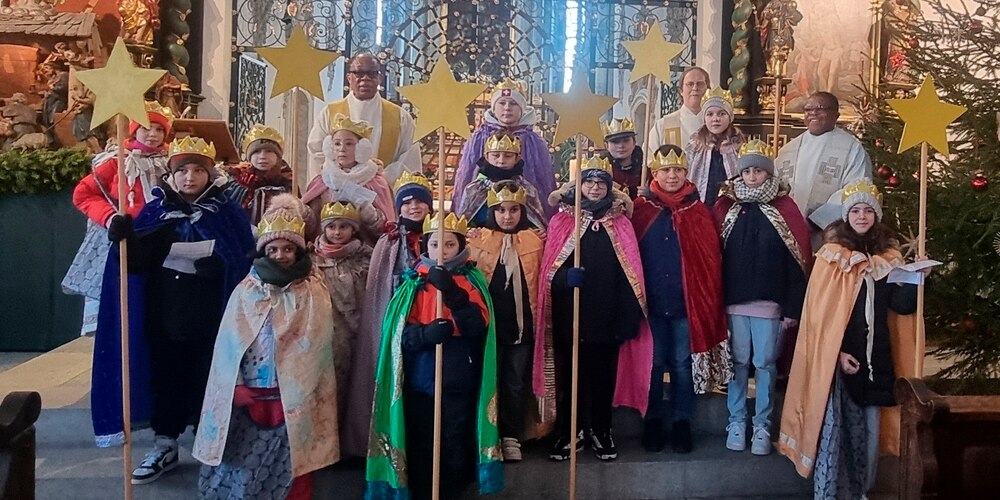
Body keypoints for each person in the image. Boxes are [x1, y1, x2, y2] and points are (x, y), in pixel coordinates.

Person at [96, 136, 255, 484]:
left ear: (210, 174)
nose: (190, 178)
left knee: (208, 379)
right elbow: (134, 266)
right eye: (183, 171)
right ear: (172, 174)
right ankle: (165, 443)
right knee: (167, 379)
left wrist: (220, 265)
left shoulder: (226, 212)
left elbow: (243, 260)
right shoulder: (156, 211)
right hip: (166, 315)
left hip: (212, 318)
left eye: (199, 170)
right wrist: (124, 238)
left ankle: (209, 443)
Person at [778, 181, 920, 498]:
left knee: (868, 438)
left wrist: (915, 279)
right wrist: (837, 352)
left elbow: (901, 308)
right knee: (833, 433)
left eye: (868, 210)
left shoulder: (890, 258)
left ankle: (861, 492)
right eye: (855, 210)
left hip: (876, 359)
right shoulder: (831, 258)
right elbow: (820, 317)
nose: (861, 215)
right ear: (846, 215)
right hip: (839, 362)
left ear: (876, 215)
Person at [194, 194, 339, 500]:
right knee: (246, 458)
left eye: (288, 248)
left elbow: (320, 341)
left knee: (294, 457)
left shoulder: (313, 288)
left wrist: (307, 384)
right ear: (263, 251)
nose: (281, 255)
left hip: (296, 394)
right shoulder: (248, 290)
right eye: (273, 249)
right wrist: (234, 384)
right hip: (254, 388)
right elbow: (229, 345)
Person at [366, 212, 502, 500]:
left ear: (460, 246)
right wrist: (425, 335)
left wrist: (452, 293)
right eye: (436, 244)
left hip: (457, 379)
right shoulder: (412, 283)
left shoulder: (471, 280)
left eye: (449, 245)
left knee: (453, 442)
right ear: (426, 246)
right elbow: (398, 334)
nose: (442, 251)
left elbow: (478, 327)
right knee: (422, 442)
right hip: (421, 380)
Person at [534, 155, 651, 462]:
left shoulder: (620, 223)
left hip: (609, 318)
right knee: (572, 378)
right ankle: (571, 431)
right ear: (580, 185)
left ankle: (601, 429)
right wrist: (563, 279)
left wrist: (627, 317)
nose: (596, 188)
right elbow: (548, 272)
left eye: (602, 182)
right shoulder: (562, 221)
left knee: (603, 379)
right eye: (589, 182)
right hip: (571, 317)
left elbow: (631, 274)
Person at [712, 140, 812, 456]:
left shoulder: (785, 209)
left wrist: (792, 307)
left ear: (768, 174)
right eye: (748, 171)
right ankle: (737, 420)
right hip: (735, 302)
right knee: (738, 362)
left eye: (759, 171)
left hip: (771, 304)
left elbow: (797, 261)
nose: (753, 176)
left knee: (765, 363)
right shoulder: (726, 208)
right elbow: (713, 259)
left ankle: (764, 424)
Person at [630, 145, 732, 454]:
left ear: (685, 174)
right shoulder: (641, 208)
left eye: (677, 170)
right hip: (651, 305)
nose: (672, 176)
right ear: (654, 174)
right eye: (665, 171)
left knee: (681, 364)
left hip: (685, 304)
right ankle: (652, 421)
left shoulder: (698, 211)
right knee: (653, 363)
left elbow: (709, 261)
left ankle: (681, 422)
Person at [341, 172, 433, 458]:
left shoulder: (438, 237)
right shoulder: (389, 242)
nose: (414, 207)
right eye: (407, 202)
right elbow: (380, 288)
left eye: (420, 201)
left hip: (429, 321)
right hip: (397, 322)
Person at [63, 101, 172, 336]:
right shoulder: (117, 161)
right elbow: (83, 194)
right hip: (123, 239)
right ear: (134, 129)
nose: (153, 134)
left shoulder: (172, 162)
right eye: (146, 127)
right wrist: (109, 217)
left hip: (160, 242)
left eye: (159, 129)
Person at [466, 181, 545, 462]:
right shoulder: (477, 240)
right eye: (501, 210)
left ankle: (511, 434)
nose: (507, 216)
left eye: (513, 210)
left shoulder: (535, 240)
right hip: (490, 329)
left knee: (514, 381)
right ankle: (487, 435)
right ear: (492, 211)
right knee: (489, 379)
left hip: (522, 328)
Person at [306, 53, 421, 186]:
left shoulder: (400, 117)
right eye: (359, 73)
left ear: (380, 78)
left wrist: (377, 178)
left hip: (382, 192)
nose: (365, 78)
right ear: (349, 77)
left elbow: (409, 158)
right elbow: (316, 152)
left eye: (372, 73)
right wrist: (343, 176)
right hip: (338, 193)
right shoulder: (329, 113)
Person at [453, 79, 555, 217]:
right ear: (494, 108)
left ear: (522, 108)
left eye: (513, 103)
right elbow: (466, 175)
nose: (507, 108)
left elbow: (544, 181)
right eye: (502, 103)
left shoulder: (534, 141)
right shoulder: (479, 137)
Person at [774, 91, 873, 231]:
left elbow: (855, 190)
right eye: (808, 109)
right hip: (787, 229)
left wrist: (817, 221)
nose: (812, 113)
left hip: (829, 232)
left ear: (836, 115)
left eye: (820, 109)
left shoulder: (851, 148)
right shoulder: (789, 149)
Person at [313, 200, 373, 424]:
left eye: (343, 226)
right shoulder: (313, 259)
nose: (337, 232)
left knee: (357, 386)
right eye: (332, 226)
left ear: (353, 229)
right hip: (328, 331)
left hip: (359, 330)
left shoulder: (367, 257)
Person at [302, 114, 393, 244]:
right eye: (337, 144)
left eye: (349, 143)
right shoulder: (321, 181)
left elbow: (387, 228)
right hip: (325, 251)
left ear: (362, 147)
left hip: (365, 250)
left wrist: (370, 214)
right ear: (329, 147)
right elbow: (311, 225)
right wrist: (300, 209)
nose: (342, 149)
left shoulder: (377, 182)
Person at [456, 131, 547, 229]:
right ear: (486, 156)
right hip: (483, 239)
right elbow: (464, 223)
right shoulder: (474, 189)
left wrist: (537, 232)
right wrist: (469, 231)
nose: (501, 161)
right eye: (495, 155)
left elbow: (536, 223)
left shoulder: (527, 189)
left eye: (508, 156)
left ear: (517, 158)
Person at [684, 87, 745, 207]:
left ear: (730, 117)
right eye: (710, 114)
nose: (715, 119)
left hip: (730, 207)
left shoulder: (738, 147)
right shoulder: (694, 147)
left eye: (722, 114)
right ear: (704, 118)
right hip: (701, 205)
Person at [223, 123, 293, 225]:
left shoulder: (288, 183)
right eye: (257, 152)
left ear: (278, 157)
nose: (262, 156)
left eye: (269, 151)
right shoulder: (238, 182)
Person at [646, 67, 711, 160]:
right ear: (681, 90)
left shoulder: (717, 123)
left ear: (708, 89)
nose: (695, 88)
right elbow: (650, 159)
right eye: (690, 84)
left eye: (700, 84)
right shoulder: (664, 124)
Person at [602, 117, 644, 199]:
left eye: (626, 140)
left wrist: (650, 194)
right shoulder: (599, 172)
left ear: (634, 142)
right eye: (615, 142)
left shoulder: (646, 173)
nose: (621, 146)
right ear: (606, 145)